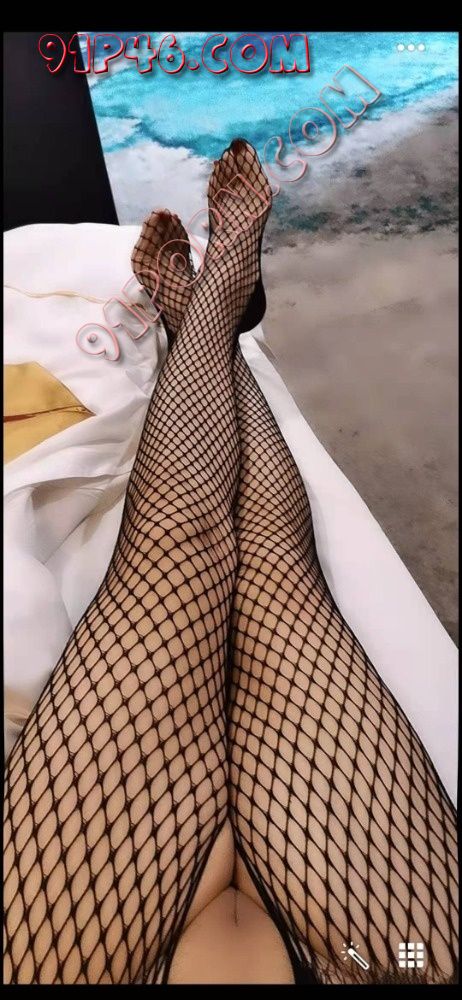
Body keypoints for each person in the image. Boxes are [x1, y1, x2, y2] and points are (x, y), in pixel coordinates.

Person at [4, 140, 458, 985]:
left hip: (79, 953)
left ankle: (202, 315)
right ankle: (213, 307)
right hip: (374, 958)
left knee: (182, 546)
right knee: (274, 573)